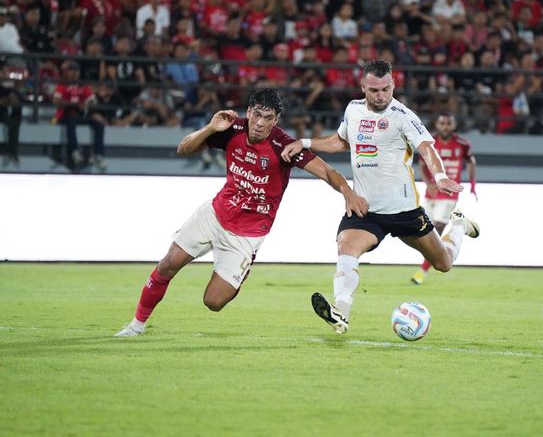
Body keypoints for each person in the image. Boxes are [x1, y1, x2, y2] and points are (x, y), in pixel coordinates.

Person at [115, 89, 368, 337]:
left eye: (267, 118)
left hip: (246, 234)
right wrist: (210, 128)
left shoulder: (283, 144)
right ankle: (136, 326)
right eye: (256, 114)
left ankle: (240, 271)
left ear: (276, 121)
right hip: (215, 214)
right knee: (167, 264)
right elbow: (184, 149)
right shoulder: (231, 128)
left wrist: (348, 192)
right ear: (248, 112)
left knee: (213, 301)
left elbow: (327, 172)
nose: (259, 123)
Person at [281, 59, 480, 334]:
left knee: (443, 263)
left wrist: (441, 175)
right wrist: (303, 143)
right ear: (363, 87)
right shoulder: (353, 110)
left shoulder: (403, 115)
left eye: (385, 89)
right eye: (374, 90)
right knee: (346, 248)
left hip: (404, 211)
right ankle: (341, 314)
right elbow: (339, 142)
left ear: (393, 85)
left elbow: (426, 148)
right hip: (366, 209)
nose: (380, 96)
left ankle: (458, 224)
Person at [410, 113, 477, 285]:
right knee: (425, 234)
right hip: (431, 193)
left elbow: (471, 162)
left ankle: (422, 272)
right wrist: (428, 184)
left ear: (453, 125)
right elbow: (422, 163)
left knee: (437, 229)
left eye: (449, 123)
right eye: (442, 123)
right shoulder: (429, 142)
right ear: (437, 125)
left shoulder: (462, 144)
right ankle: (460, 227)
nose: (445, 126)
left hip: (450, 193)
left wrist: (473, 185)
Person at [52, 61, 106, 172]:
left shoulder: (83, 85)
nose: (74, 73)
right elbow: (56, 101)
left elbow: (93, 101)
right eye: (72, 71)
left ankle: (98, 154)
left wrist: (86, 105)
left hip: (80, 115)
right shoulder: (63, 85)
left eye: (76, 71)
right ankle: (74, 151)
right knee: (71, 121)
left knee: (98, 124)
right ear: (67, 73)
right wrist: (74, 104)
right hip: (64, 115)